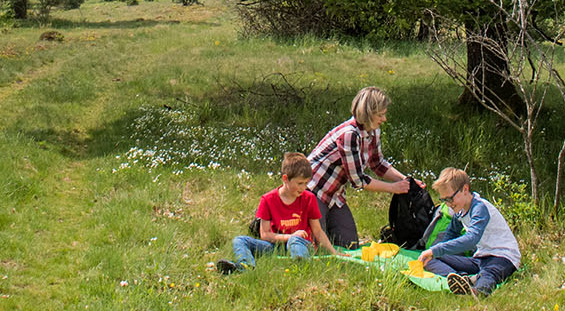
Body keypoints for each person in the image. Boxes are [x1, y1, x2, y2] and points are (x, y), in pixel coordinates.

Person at [306, 86, 412, 249]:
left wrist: (406, 180)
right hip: (313, 191)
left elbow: (378, 164)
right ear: (369, 113)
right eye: (380, 115)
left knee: (350, 244)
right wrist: (393, 188)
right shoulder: (349, 134)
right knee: (316, 244)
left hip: (335, 195)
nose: (384, 119)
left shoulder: (373, 131)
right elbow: (358, 180)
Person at [216, 152, 335, 274]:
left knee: (295, 242)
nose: (303, 187)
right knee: (239, 240)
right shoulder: (267, 199)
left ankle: (301, 269)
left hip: (302, 244)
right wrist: (290, 236)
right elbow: (265, 235)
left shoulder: (309, 198)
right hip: (276, 246)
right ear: (285, 179)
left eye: (306, 183)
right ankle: (245, 267)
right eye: (300, 183)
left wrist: (334, 252)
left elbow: (318, 231)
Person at [418, 168, 521, 297]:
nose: (448, 204)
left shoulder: (480, 208)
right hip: (480, 258)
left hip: (503, 257)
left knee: (489, 274)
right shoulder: (460, 212)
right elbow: (450, 235)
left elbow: (472, 239)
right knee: (430, 259)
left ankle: (478, 292)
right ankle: (462, 280)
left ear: (465, 189)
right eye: (444, 200)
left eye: (450, 198)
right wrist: (435, 252)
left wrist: (437, 249)